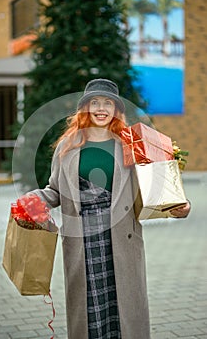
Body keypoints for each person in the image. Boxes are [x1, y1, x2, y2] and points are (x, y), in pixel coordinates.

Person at [32, 78, 191, 339]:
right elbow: (55, 190)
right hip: (82, 238)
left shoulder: (132, 144)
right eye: (94, 102)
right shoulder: (67, 146)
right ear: (84, 108)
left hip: (121, 236)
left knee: (124, 309)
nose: (101, 108)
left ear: (117, 110)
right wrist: (34, 199)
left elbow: (157, 187)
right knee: (89, 309)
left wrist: (179, 206)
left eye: (108, 103)